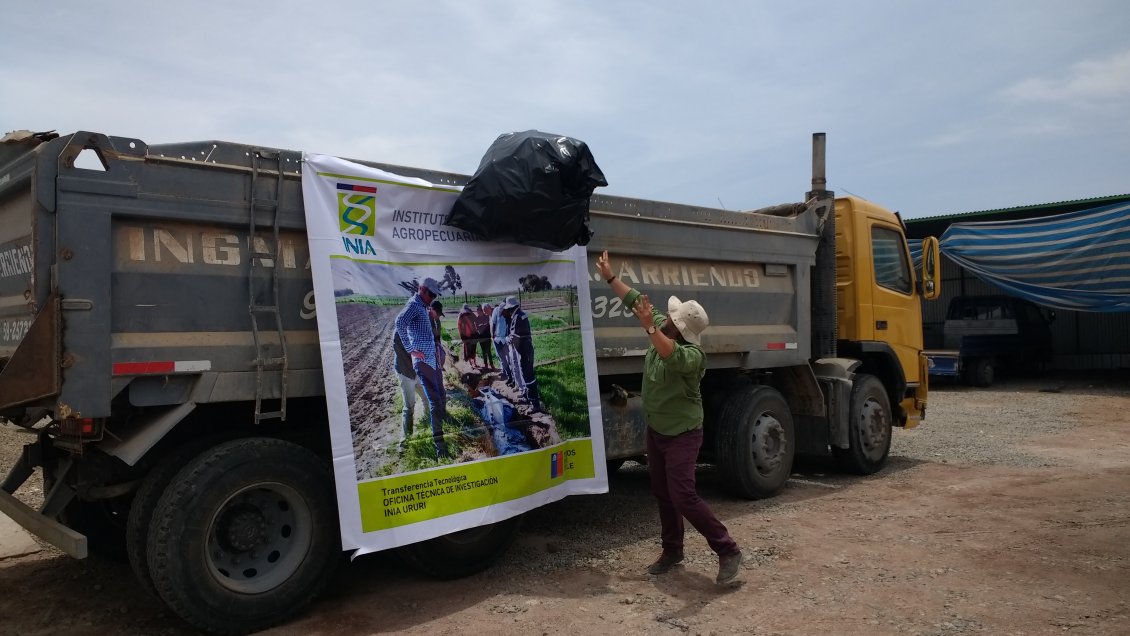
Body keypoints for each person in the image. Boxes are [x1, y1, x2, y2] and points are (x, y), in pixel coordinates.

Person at [596, 250, 743, 586]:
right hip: (658, 430)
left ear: (679, 330)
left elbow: (667, 353)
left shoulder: (693, 356)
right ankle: (673, 551)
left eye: (671, 321)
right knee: (662, 492)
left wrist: (649, 325)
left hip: (683, 434)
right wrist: (610, 277)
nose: (666, 319)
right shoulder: (663, 325)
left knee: (683, 495)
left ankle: (728, 550)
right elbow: (635, 300)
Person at [395, 277, 449, 459]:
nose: (432, 298)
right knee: (434, 401)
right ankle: (440, 447)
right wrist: (411, 350)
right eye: (431, 294)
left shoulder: (423, 306)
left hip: (432, 360)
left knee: (440, 395)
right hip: (423, 362)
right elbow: (399, 322)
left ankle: (442, 422)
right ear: (422, 289)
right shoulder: (413, 305)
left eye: (435, 296)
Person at [501, 296, 540, 412]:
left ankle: (535, 404)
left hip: (524, 351)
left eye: (508, 309)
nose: (508, 311)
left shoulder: (517, 316)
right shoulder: (521, 314)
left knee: (528, 377)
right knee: (525, 374)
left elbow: (514, 335)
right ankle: (527, 397)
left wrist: (507, 339)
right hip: (525, 349)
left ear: (511, 308)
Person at [491, 300, 514, 386]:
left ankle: (514, 378)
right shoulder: (496, 311)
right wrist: (493, 336)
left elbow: (510, 326)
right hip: (497, 339)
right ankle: (509, 376)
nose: (501, 313)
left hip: (506, 339)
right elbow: (493, 323)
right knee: (503, 360)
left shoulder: (508, 314)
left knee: (510, 359)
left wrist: (508, 337)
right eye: (501, 311)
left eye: (503, 311)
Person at [474, 303, 495, 369]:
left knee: (488, 350)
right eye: (477, 312)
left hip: (487, 336)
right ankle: (486, 364)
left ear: (482, 311)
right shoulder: (477, 319)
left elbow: (489, 324)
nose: (478, 313)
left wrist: (482, 326)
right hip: (481, 337)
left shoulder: (487, 316)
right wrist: (482, 326)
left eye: (479, 312)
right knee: (484, 351)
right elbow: (477, 328)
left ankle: (491, 364)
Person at [457, 303, 478, 368]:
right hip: (468, 335)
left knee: (470, 348)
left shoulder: (463, 315)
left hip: (470, 334)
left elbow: (459, 326)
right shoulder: (462, 316)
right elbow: (459, 326)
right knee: (470, 348)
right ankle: (472, 363)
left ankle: (472, 363)